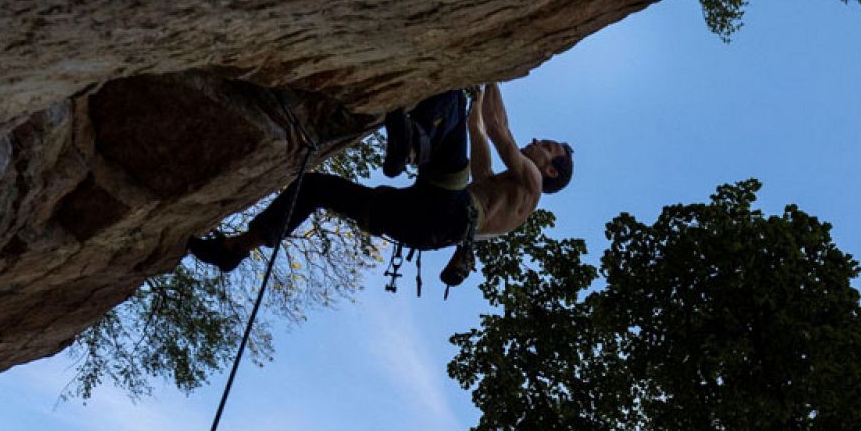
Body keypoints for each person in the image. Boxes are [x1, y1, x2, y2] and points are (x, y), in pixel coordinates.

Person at [187, 83, 572, 287]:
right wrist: (481, 89)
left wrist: (491, 72)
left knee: (450, 93)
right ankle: (235, 248)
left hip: (444, 211)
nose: (538, 142)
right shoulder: (498, 190)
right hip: (421, 226)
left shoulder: (533, 182)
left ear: (551, 171)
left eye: (548, 147)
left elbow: (501, 132)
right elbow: (478, 128)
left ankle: (415, 143)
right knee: (314, 188)